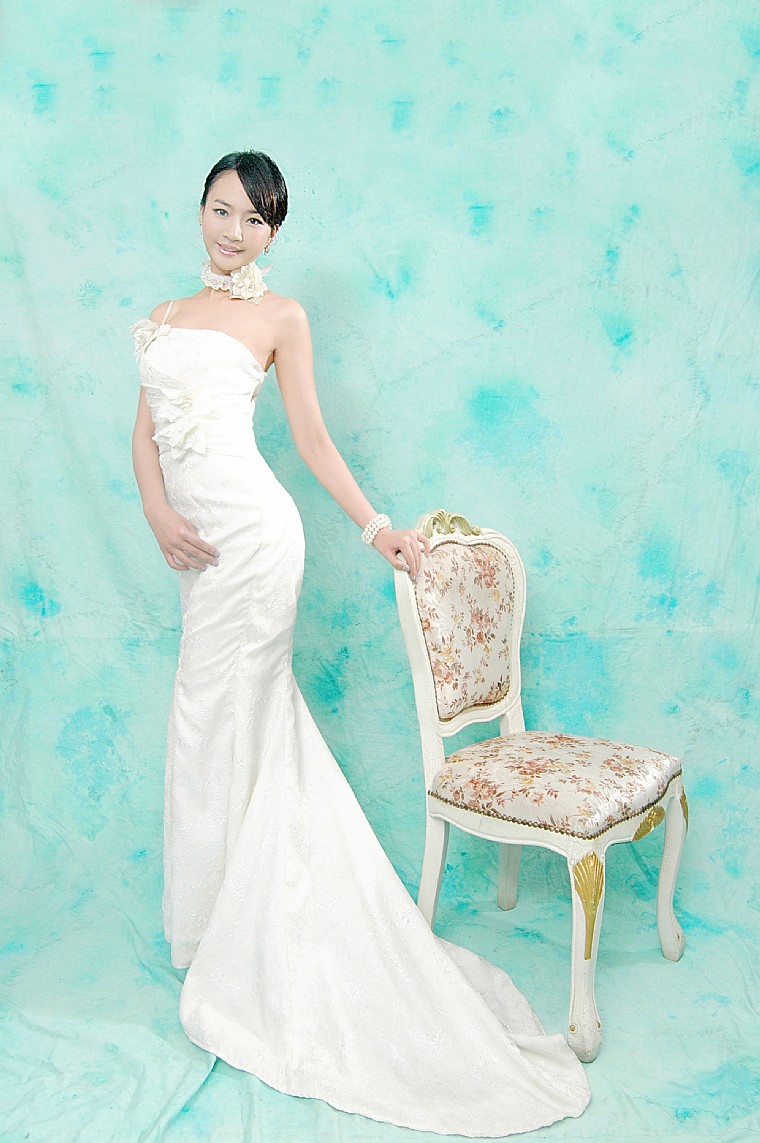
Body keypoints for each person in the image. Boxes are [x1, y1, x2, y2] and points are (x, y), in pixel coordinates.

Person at [130, 150, 591, 1137]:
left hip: (259, 544)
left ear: (274, 232)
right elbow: (147, 434)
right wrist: (157, 513)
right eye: (222, 211)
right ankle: (216, 921)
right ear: (199, 211)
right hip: (197, 555)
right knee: (204, 723)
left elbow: (311, 439)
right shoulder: (162, 319)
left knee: (239, 716)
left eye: (255, 220)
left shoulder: (279, 317)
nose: (234, 232)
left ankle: (258, 929)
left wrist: (377, 526)